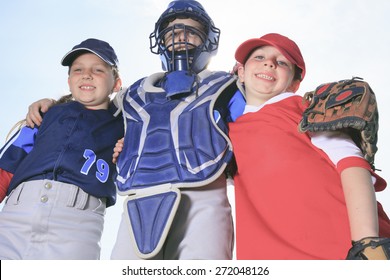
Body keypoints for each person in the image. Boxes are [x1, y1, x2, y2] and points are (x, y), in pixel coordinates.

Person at [24, 0, 237, 260]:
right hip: (140, 199)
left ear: (208, 40)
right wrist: (54, 103)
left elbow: (254, 121)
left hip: (203, 195)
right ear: (160, 41)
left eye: (191, 32)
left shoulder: (226, 86)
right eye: (171, 33)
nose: (180, 39)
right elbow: (94, 105)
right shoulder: (134, 95)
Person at [228, 33, 390, 259]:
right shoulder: (225, 132)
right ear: (241, 72)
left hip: (347, 249)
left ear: (294, 83)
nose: (269, 62)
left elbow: (352, 165)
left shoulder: (303, 108)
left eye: (282, 62)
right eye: (259, 56)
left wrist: (368, 242)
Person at [0, 38, 124, 259]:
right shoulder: (45, 114)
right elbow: (9, 164)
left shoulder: (126, 123)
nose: (87, 75)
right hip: (17, 213)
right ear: (69, 81)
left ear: (116, 83)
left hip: (78, 222)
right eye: (78, 70)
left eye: (98, 69)